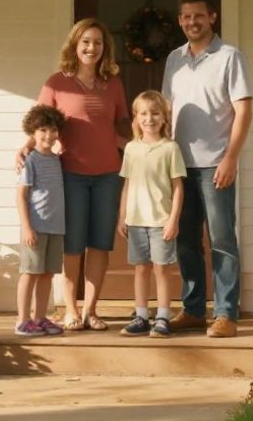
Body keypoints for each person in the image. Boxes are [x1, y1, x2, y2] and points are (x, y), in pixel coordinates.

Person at [25, 18, 129, 331]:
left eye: (98, 43)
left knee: (100, 244)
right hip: (69, 175)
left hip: (109, 174)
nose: (91, 48)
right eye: (86, 42)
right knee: (72, 244)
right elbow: (40, 122)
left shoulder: (113, 84)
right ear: (75, 45)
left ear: (104, 48)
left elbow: (122, 127)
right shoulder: (57, 82)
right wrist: (25, 147)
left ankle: (91, 311)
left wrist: (146, 151)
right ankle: (70, 309)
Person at [163, 0, 253, 338]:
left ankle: (227, 314)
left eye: (198, 16)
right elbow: (167, 110)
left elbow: (243, 111)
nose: (191, 22)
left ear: (212, 17)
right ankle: (193, 309)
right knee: (185, 240)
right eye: (185, 17)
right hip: (178, 167)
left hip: (216, 164)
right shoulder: (174, 59)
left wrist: (231, 158)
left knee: (221, 240)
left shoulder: (230, 57)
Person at [116, 90, 186, 338]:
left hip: (161, 221)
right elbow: (127, 185)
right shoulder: (132, 149)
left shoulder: (170, 148)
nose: (149, 119)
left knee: (161, 268)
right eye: (143, 114)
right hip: (136, 221)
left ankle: (163, 317)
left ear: (164, 118)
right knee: (140, 268)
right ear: (136, 118)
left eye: (155, 113)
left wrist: (173, 220)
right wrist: (122, 216)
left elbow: (178, 187)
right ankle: (141, 316)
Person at [15, 104, 69, 337]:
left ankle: (39, 318)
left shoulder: (57, 160)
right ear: (33, 133)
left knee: (47, 274)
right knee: (31, 272)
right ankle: (22, 320)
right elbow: (21, 196)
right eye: (43, 130)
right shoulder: (31, 161)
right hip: (35, 227)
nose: (49, 135)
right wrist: (27, 227)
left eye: (53, 130)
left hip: (55, 227)